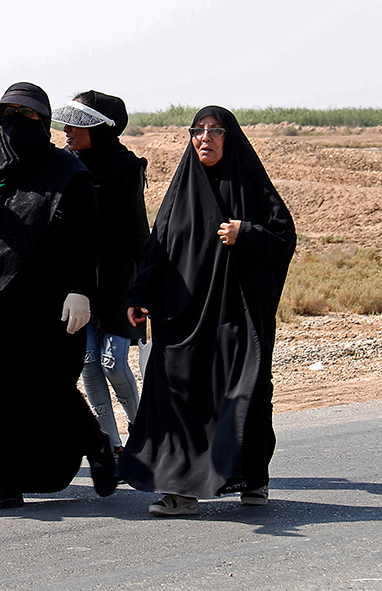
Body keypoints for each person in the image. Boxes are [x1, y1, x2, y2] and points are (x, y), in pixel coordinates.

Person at [0, 82, 117, 511]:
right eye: (6, 116)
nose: (14, 125)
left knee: (46, 384)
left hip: (47, 301)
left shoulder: (67, 173)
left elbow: (88, 237)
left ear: (42, 123)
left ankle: (93, 443)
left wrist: (81, 290)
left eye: (26, 117)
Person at [118, 106, 296, 517]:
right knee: (176, 394)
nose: (205, 138)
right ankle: (181, 491)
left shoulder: (250, 185)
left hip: (237, 315)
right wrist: (138, 294)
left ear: (229, 137)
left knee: (244, 394)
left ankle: (253, 478)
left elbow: (284, 237)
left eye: (215, 131)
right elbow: (157, 249)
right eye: (197, 131)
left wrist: (246, 233)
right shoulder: (181, 191)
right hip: (182, 316)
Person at [52, 91, 149, 460]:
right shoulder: (64, 166)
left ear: (100, 128)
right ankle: (111, 444)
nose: (67, 130)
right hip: (78, 285)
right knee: (90, 363)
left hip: (120, 284)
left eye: (78, 122)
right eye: (67, 121)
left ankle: (143, 433)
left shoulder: (127, 170)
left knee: (113, 362)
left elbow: (139, 234)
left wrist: (148, 287)